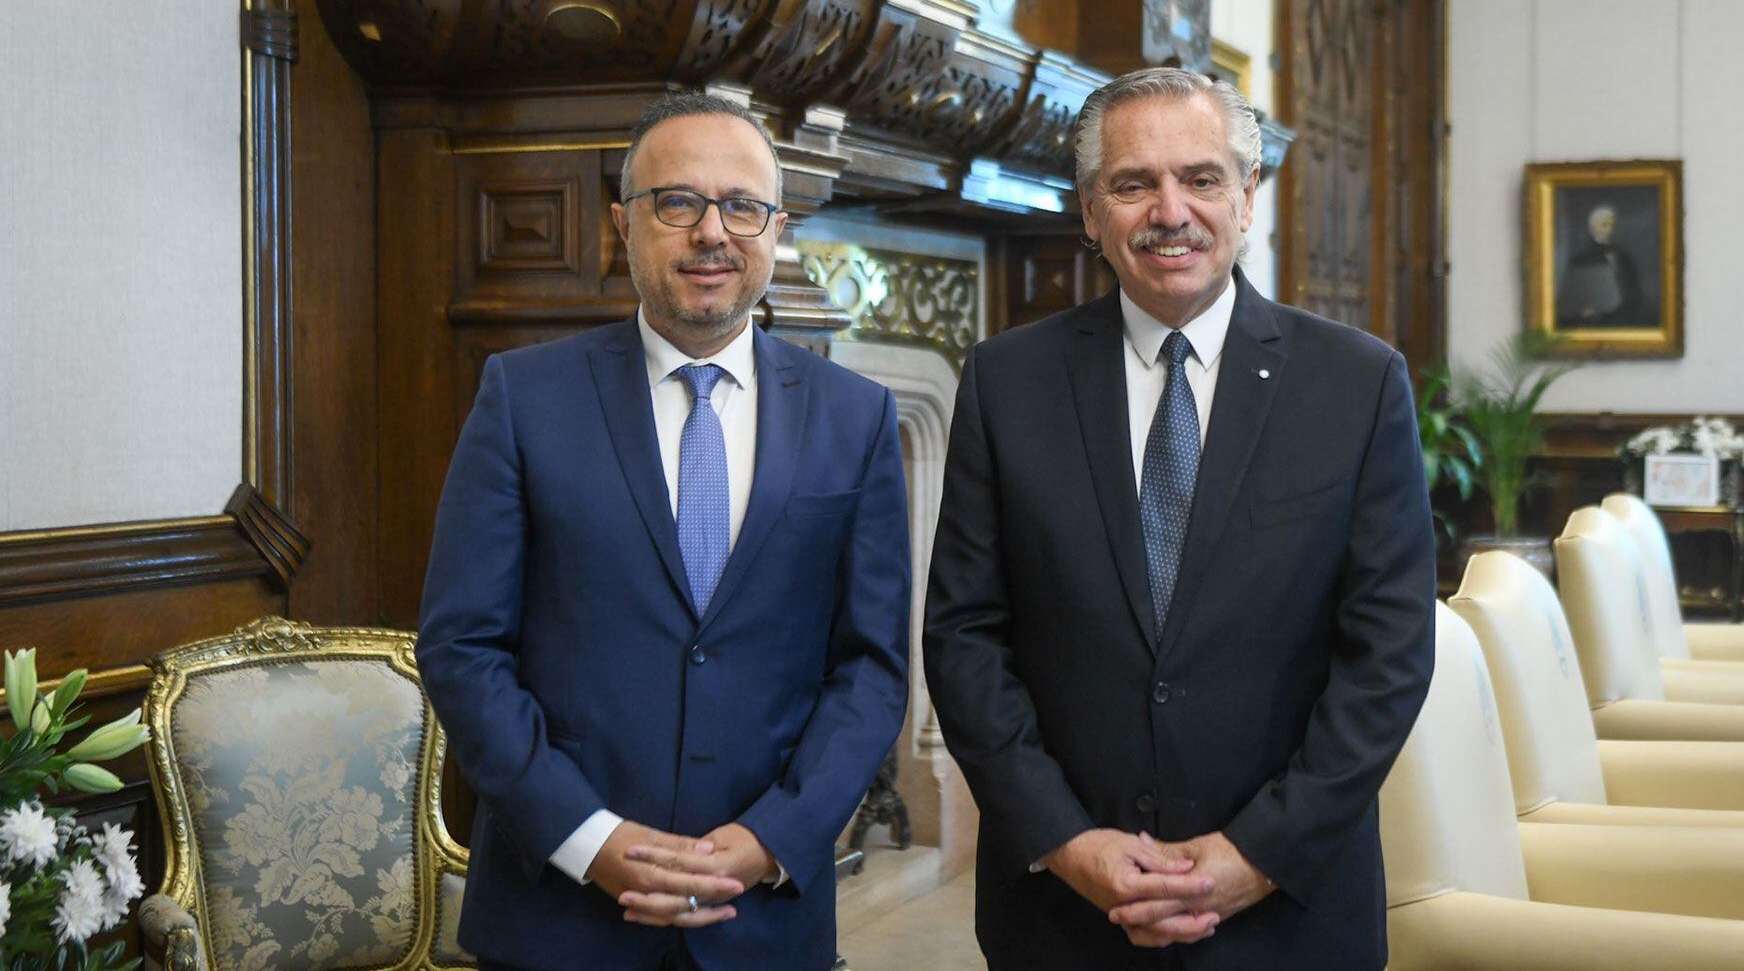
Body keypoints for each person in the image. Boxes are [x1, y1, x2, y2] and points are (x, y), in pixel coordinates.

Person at [922, 67, 1435, 970]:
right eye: (1133, 184)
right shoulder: (1007, 382)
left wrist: (1257, 855)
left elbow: (1388, 655)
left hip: (1289, 914)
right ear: (1090, 212)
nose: (1171, 211)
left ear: (1248, 195)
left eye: (1201, 178)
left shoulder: (1357, 384)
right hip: (1064, 915)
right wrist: (1066, 840)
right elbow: (965, 636)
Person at [416, 92, 911, 971]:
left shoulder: (857, 417)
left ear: (776, 226)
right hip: (557, 918)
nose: (711, 232)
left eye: (742, 206)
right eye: (677, 203)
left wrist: (772, 838)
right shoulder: (522, 398)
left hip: (763, 919)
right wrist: (588, 838)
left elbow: (870, 668)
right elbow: (463, 648)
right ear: (623, 224)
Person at [1556, 203, 1654, 327]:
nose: (1610, 229)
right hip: (1594, 323)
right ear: (1592, 228)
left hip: (1625, 319)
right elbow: (1570, 302)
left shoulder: (1625, 257)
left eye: (1613, 225)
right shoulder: (1580, 260)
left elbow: (1636, 293)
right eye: (1604, 225)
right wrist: (1582, 311)